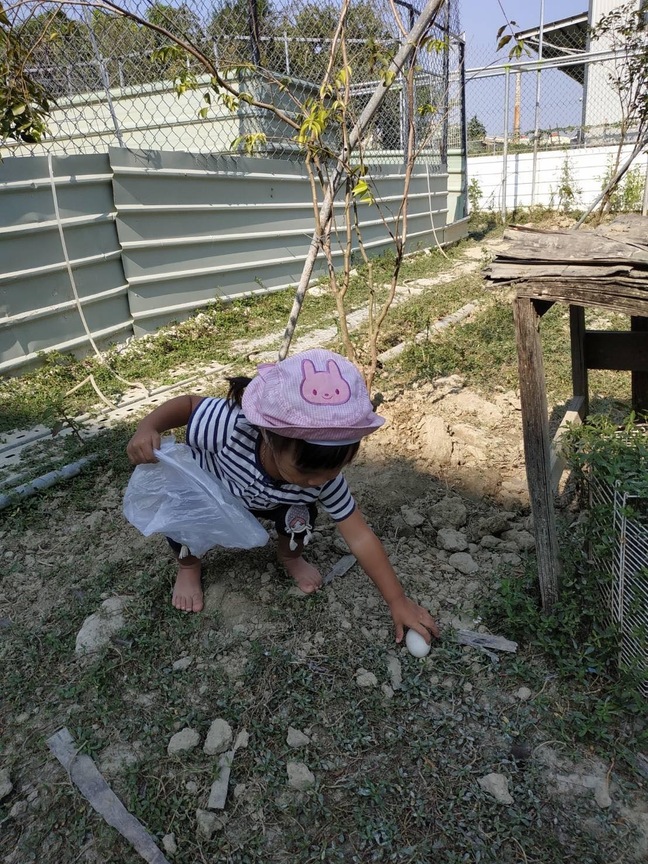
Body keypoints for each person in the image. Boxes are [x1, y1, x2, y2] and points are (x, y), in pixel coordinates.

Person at [126, 348, 439, 645]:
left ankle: (290, 556)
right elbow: (190, 404)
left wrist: (398, 600)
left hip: (276, 503)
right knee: (183, 520)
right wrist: (147, 427)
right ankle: (189, 567)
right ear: (268, 436)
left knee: (299, 516)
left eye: (333, 470)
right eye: (306, 472)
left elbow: (360, 536)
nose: (317, 482)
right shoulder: (230, 429)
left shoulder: (324, 479)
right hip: (216, 491)